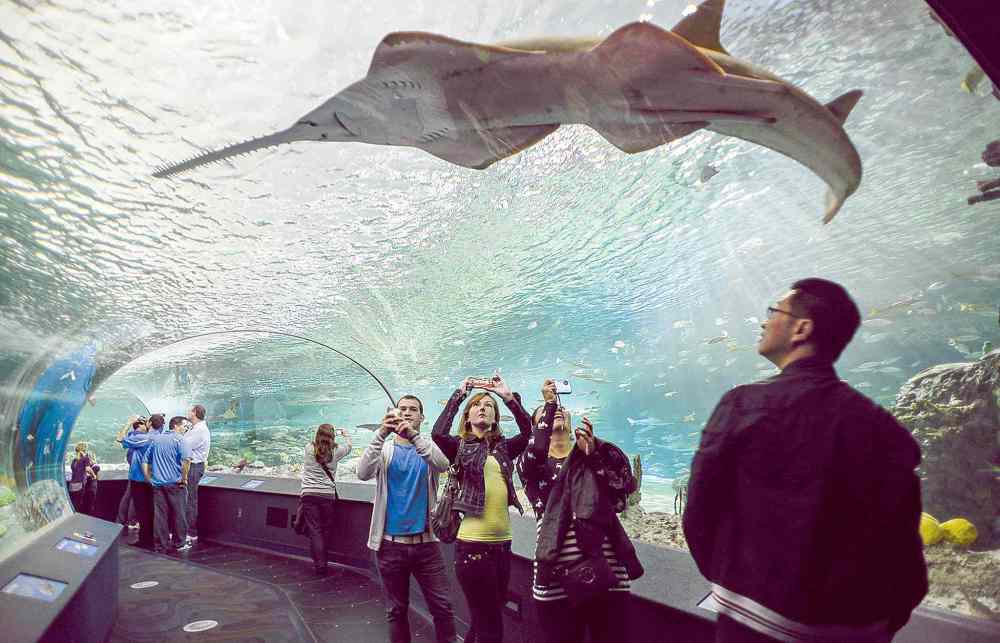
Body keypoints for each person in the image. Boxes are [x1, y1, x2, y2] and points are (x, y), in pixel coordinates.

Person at [683, 278, 928, 642]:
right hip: (858, 627)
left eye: (774, 312)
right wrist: (877, 623)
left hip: (753, 622)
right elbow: (903, 546)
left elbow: (700, 512)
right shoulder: (883, 427)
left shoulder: (743, 405)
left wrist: (734, 588)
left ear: (802, 329)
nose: (765, 322)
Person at [516, 380, 643, 643]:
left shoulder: (591, 452)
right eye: (545, 412)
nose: (556, 411)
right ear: (536, 425)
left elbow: (624, 488)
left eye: (560, 408)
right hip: (556, 576)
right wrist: (550, 403)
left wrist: (595, 453)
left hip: (609, 572)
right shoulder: (531, 463)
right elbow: (537, 449)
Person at [432, 375, 533, 643]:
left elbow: (530, 433)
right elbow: (437, 433)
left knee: (483, 619)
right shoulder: (458, 446)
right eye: (478, 405)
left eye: (489, 405)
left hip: (502, 546)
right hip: (473, 548)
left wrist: (507, 397)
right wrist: (459, 395)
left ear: (495, 418)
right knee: (492, 629)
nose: (484, 407)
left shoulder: (504, 449)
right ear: (467, 417)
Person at [357, 395, 456, 643]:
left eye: (414, 410)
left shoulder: (428, 447)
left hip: (427, 546)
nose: (408, 412)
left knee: (442, 608)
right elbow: (362, 472)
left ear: (422, 417)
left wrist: (413, 435)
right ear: (394, 413)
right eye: (403, 409)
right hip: (390, 546)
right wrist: (381, 433)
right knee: (396, 611)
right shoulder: (385, 450)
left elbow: (442, 464)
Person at [299, 423, 352, 575]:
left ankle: (319, 565)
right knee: (326, 530)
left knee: (315, 531)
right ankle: (324, 562)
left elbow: (316, 445)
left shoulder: (309, 448)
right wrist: (346, 434)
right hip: (327, 495)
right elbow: (349, 447)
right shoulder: (336, 451)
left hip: (309, 494)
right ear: (333, 436)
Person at [142, 415, 192, 553]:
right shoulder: (181, 440)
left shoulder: (156, 439)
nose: (186, 428)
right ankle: (180, 543)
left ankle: (161, 544)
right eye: (184, 425)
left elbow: (145, 460)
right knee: (179, 513)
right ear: (175, 426)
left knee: (160, 516)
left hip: (157, 484)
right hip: (175, 484)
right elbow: (186, 460)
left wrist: (148, 479)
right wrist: (184, 478)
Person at [118, 415, 162, 549]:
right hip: (153, 479)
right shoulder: (159, 436)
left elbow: (120, 438)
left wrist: (129, 422)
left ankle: (145, 541)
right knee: (150, 510)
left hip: (139, 479)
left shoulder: (142, 438)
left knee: (142, 511)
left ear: (149, 423)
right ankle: (152, 540)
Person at [183, 404, 211, 543]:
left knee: (190, 499)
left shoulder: (199, 430)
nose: (187, 412)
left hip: (193, 467)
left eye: (189, 410)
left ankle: (190, 532)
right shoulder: (196, 429)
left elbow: (184, 446)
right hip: (193, 466)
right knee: (189, 498)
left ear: (194, 413)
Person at [68, 442, 100, 515]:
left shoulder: (74, 460)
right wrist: (94, 476)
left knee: (73, 503)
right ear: (85, 449)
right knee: (78, 504)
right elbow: (88, 469)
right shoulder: (85, 458)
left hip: (72, 485)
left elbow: (76, 470)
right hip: (79, 485)